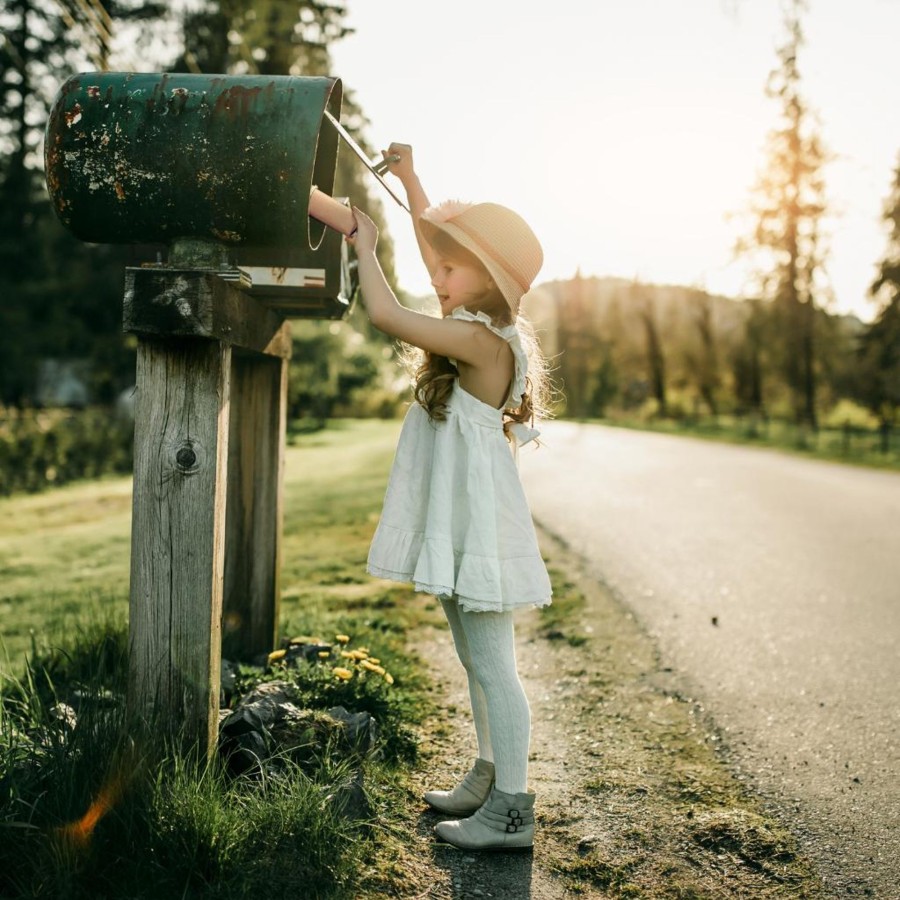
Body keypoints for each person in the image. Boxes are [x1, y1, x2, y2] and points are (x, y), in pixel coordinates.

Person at [346, 142, 553, 852]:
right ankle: (490, 774)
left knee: (496, 665)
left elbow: (385, 313)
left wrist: (364, 243)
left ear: (489, 283)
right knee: (472, 659)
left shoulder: (481, 341)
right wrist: (408, 181)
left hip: (478, 527)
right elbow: (443, 252)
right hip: (460, 519)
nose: (436, 275)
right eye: (436, 264)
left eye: (452, 269)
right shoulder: (479, 324)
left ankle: (513, 812)